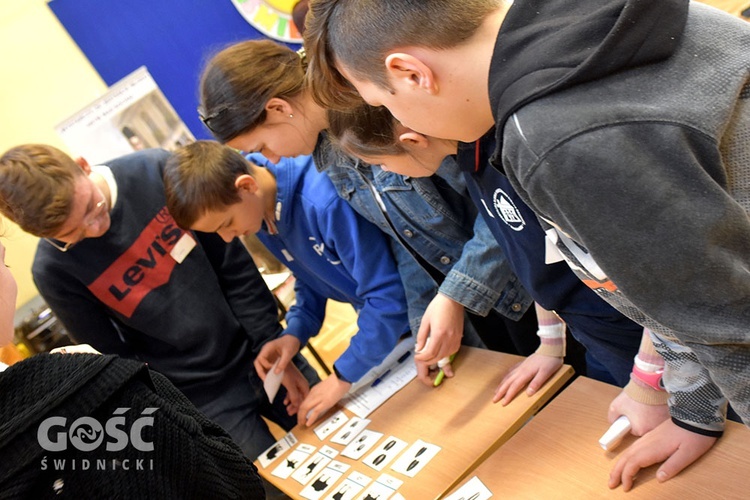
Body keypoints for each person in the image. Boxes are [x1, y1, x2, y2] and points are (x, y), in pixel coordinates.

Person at [304, 0, 750, 490]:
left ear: (410, 72)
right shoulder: (578, 21)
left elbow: (726, 324)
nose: (397, 119)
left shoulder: (547, 137)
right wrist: (693, 414)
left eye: (382, 103)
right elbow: (675, 286)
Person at [197, 39, 537, 385]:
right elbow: (407, 246)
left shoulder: (381, 112)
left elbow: (502, 203)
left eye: (262, 146)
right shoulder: (332, 158)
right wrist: (425, 329)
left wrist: (456, 294)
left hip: (529, 283)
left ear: (278, 108)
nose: (269, 159)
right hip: (483, 308)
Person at [0, 144, 320, 468]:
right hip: (202, 397)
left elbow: (232, 266)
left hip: (260, 350)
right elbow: (111, 356)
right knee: (269, 487)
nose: (96, 229)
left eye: (92, 209)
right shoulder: (53, 269)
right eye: (73, 234)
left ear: (83, 165)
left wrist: (270, 342)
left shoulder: (157, 170)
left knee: (336, 436)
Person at [327, 104, 655, 406]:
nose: (386, 172)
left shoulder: (507, 153)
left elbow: (648, 290)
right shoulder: (471, 164)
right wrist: (551, 345)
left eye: (382, 163)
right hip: (597, 337)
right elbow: (537, 256)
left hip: (641, 341)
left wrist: (646, 384)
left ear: (412, 141)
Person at [163, 140, 411, 426]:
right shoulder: (258, 212)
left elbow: (388, 296)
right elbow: (311, 275)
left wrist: (342, 377)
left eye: (226, 223)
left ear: (246, 186)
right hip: (391, 337)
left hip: (420, 318)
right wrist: (294, 333)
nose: (229, 238)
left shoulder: (322, 201)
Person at [0, 237, 266, 498]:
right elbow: (235, 482)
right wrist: (110, 376)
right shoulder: (88, 384)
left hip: (252, 357)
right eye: (5, 262)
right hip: (202, 401)